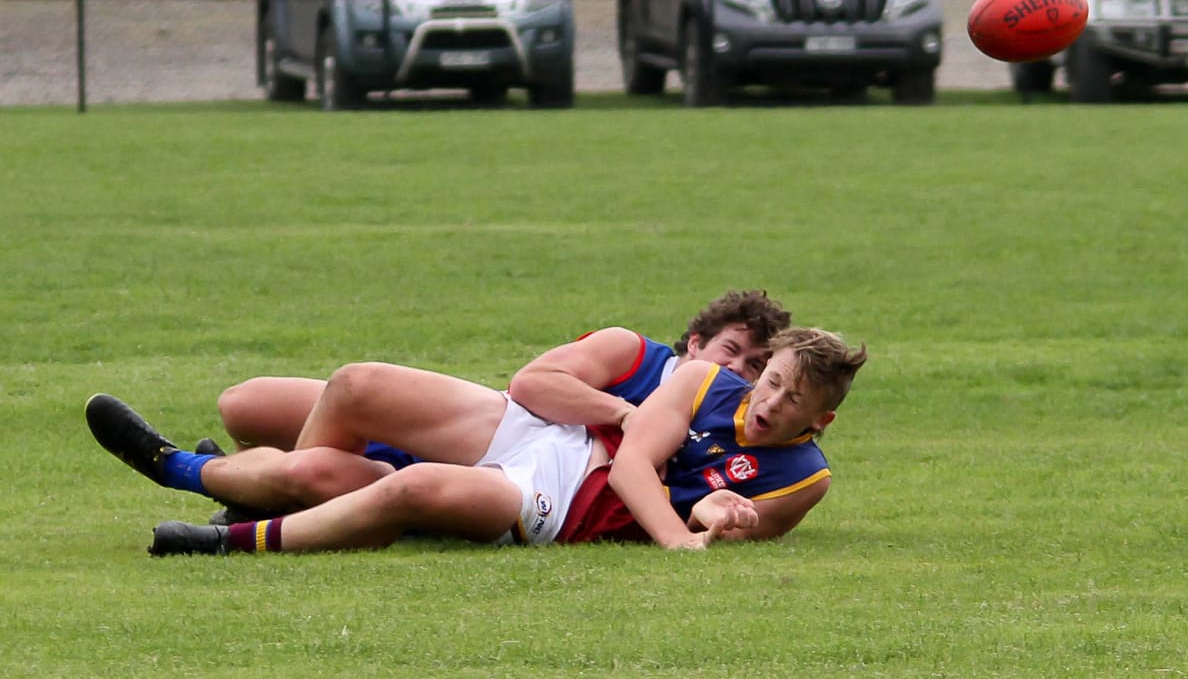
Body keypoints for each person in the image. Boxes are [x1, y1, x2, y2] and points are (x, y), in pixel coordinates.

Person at [144, 327, 867, 556]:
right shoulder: (686, 373)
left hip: (561, 494)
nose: (766, 399)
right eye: (767, 378)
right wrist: (679, 534)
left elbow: (721, 515)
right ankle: (200, 471)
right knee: (353, 384)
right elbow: (539, 389)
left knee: (400, 488)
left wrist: (718, 521)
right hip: (547, 432)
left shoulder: (804, 476)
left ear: (822, 418)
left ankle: (225, 528)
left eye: (790, 398)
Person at [87, 290, 791, 518]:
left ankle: (203, 473)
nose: (737, 371)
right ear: (695, 339)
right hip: (477, 421)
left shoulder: (720, 425)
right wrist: (624, 411)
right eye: (730, 351)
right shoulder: (634, 355)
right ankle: (266, 486)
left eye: (755, 367)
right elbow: (531, 385)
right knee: (242, 404)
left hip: (496, 476)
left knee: (322, 476)